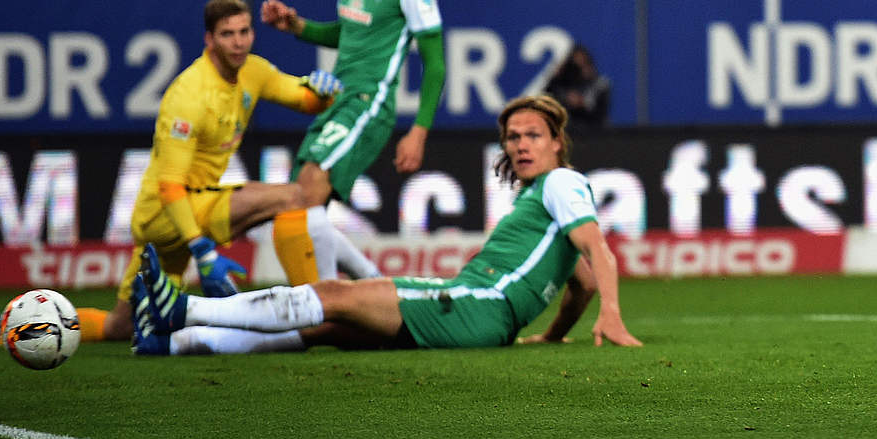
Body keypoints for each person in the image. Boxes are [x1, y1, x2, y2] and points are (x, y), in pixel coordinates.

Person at [129, 94, 643, 355]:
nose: (521, 145)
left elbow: (599, 251)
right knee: (333, 325)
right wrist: (552, 338)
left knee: (334, 294)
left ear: (557, 141)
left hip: (476, 305)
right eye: (513, 137)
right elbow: (582, 283)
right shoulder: (548, 200)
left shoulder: (563, 184)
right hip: (481, 313)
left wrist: (614, 314)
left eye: (533, 135)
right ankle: (175, 343)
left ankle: (183, 309)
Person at [77, 0, 346, 342]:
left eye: (244, 31)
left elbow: (304, 98)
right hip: (165, 215)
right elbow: (170, 186)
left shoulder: (254, 71)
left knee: (120, 327)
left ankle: (7, 328)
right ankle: (319, 313)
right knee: (294, 197)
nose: (238, 42)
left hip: (191, 213)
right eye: (227, 34)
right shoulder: (189, 95)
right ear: (209, 39)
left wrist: (324, 93)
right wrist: (202, 251)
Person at [260, 0, 446, 287]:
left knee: (306, 193)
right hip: (336, 98)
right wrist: (296, 26)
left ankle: (324, 305)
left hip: (370, 102)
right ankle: (373, 289)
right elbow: (349, 33)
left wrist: (419, 132)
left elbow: (435, 65)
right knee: (302, 207)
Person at [544, 45, 611, 129]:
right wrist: (555, 78)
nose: (578, 69)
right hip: (570, 130)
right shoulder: (563, 83)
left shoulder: (599, 84)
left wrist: (582, 102)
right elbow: (548, 97)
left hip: (595, 131)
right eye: (574, 66)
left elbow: (597, 109)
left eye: (583, 64)